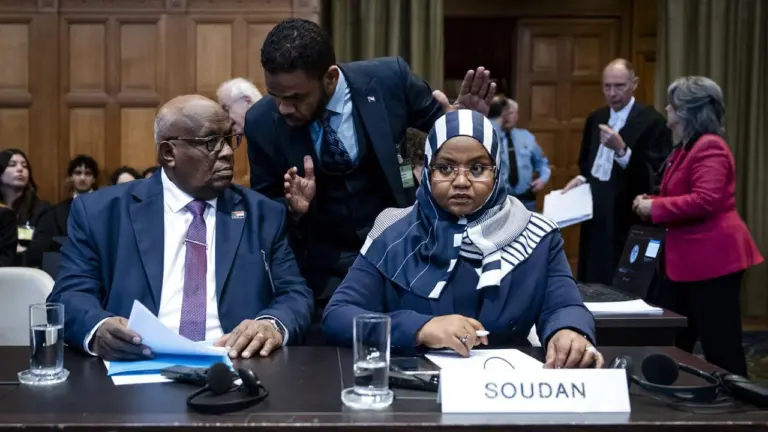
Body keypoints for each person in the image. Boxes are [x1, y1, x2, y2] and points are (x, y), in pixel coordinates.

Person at [245, 18, 496, 315]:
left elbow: (444, 132)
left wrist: (466, 126)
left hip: (405, 249)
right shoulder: (261, 121)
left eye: (295, 97)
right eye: (275, 96)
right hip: (322, 270)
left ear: (330, 77)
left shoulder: (390, 79)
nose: (284, 108)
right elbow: (263, 209)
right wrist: (293, 208)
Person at [323, 110, 601, 368]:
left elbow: (564, 305)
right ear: (428, 171)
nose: (461, 181)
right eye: (445, 168)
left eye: (477, 168)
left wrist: (569, 330)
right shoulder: (394, 232)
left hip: (508, 386)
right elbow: (338, 315)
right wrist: (420, 328)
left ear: (497, 171)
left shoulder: (537, 235)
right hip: (418, 388)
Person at [48, 95, 313, 361]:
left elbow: (295, 294)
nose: (227, 152)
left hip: (236, 362)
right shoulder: (100, 213)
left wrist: (271, 324)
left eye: (229, 139)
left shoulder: (263, 214)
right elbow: (69, 295)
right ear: (168, 153)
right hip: (137, 363)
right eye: (211, 142)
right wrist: (99, 327)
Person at [633, 76, 763, 376]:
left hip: (713, 261)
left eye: (672, 104)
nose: (666, 108)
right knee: (673, 340)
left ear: (687, 111)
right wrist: (652, 201)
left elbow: (706, 200)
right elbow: (682, 193)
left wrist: (655, 208)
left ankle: (736, 401)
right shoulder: (686, 148)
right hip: (686, 262)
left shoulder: (710, 147)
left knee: (721, 346)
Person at [563, 59, 672, 285]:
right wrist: (582, 178)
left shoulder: (652, 121)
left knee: (622, 278)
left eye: (619, 86)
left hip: (627, 213)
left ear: (634, 84)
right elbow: (587, 159)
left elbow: (656, 172)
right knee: (593, 272)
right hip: (596, 211)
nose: (612, 93)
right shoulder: (596, 118)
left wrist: (622, 151)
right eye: (607, 86)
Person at [27, 155, 100, 268]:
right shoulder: (57, 211)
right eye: (78, 173)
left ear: (94, 179)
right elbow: (50, 242)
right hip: (66, 263)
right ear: (71, 177)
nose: (82, 178)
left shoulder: (106, 207)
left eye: (88, 173)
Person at [488, 96, 550, 210]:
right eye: (504, 112)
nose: (506, 116)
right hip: (499, 202)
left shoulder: (527, 137)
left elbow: (542, 163)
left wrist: (542, 179)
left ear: (517, 116)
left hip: (526, 201)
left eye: (510, 112)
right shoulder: (491, 136)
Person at [0, 149, 51, 264]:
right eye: (12, 165)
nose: (20, 169)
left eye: (25, 166)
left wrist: (11, 252)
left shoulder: (41, 209)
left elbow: (40, 248)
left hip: (26, 270)